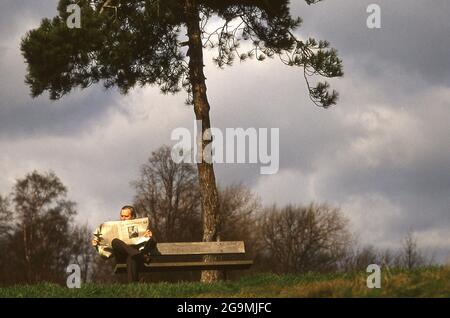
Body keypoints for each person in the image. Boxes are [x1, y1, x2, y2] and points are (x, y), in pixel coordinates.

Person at [92, 205, 157, 283]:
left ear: (133, 217)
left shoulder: (141, 227)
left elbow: (152, 244)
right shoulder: (115, 227)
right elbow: (106, 253)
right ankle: (140, 256)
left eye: (126, 216)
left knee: (132, 257)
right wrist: (97, 245)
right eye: (122, 216)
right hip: (121, 256)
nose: (123, 218)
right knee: (115, 241)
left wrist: (150, 237)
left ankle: (133, 287)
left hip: (134, 257)